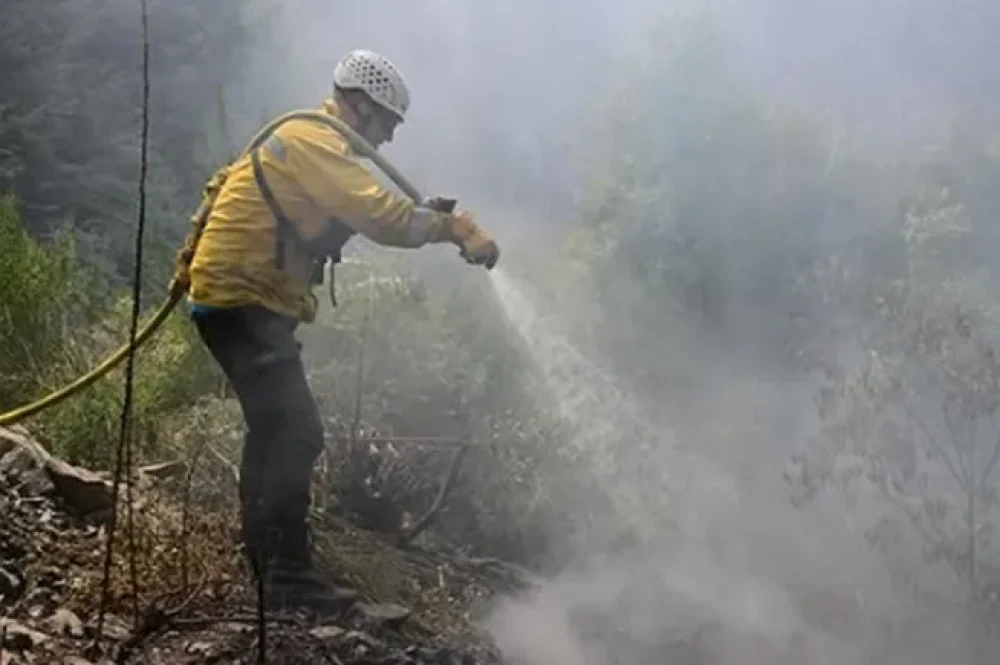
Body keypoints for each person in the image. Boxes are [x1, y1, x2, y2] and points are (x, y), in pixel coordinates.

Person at [183, 48, 499, 612]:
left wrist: (429, 217)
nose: (389, 140)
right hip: (244, 294)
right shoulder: (315, 142)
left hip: (235, 296)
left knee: (273, 427)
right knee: (297, 432)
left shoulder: (311, 142)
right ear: (358, 104)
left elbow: (341, 214)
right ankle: (286, 577)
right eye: (386, 124)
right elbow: (384, 217)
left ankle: (266, 560)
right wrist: (454, 228)